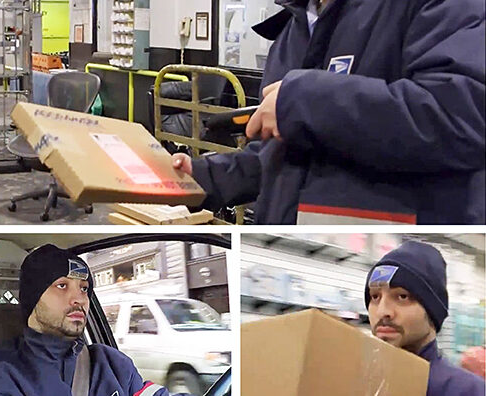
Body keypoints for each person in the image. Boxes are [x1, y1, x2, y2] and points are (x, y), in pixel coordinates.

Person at [173, 0, 485, 225]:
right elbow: (282, 158)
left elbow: (459, 116)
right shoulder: (292, 30)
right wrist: (205, 178)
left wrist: (306, 100)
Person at [0, 244, 191, 396]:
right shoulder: (0, 374)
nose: (79, 300)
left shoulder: (112, 363)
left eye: (84, 289)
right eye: (62, 286)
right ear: (34, 297)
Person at [364, 241, 486, 396]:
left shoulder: (468, 391)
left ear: (432, 310)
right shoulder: (362, 381)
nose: (382, 311)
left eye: (402, 296)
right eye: (375, 297)